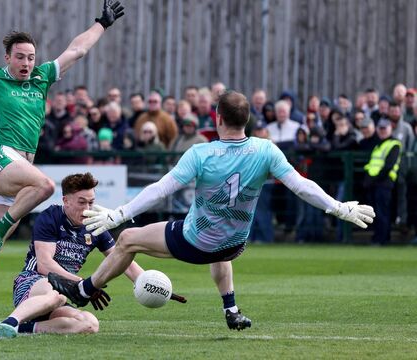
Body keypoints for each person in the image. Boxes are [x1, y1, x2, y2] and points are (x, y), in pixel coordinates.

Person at [47, 91, 375, 331]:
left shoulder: (201, 152)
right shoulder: (266, 149)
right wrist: (339, 207)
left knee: (129, 238)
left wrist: (119, 214)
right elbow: (301, 185)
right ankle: (231, 309)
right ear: (246, 119)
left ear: (217, 117)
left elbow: (161, 189)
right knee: (223, 242)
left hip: (194, 242)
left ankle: (84, 289)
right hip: (234, 243)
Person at [0, 0, 125, 328]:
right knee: (45, 185)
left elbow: (76, 50)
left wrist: (102, 24)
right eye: (20, 57)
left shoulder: (41, 78)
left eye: (30, 57)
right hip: (0, 157)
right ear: (7, 57)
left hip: (16, 174)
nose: (26, 63)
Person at [0, 173, 187, 338]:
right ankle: (9, 322)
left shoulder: (95, 224)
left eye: (91, 202)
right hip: (32, 283)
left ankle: (22, 329)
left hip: (65, 291)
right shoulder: (51, 216)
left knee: (89, 324)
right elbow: (44, 265)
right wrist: (84, 285)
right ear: (65, 201)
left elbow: (122, 259)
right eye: (81, 202)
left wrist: (157, 287)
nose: (87, 208)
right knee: (55, 294)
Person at [363, 119, 401, 245]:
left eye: (385, 128)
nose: (382, 131)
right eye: (380, 128)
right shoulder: (378, 145)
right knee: (377, 212)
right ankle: (379, 236)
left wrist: (373, 178)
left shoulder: (394, 144)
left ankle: (382, 238)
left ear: (391, 128)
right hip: (375, 182)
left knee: (382, 211)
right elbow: (372, 164)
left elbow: (388, 166)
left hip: (384, 182)